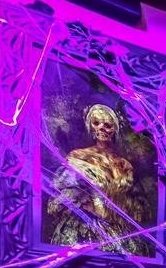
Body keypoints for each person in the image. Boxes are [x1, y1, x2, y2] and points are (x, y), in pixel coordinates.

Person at [45, 103, 149, 255]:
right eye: (96, 123)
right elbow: (59, 197)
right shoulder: (79, 156)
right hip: (83, 226)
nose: (101, 128)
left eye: (107, 125)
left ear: (114, 129)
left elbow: (136, 205)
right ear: (90, 126)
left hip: (117, 229)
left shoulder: (124, 165)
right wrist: (85, 202)